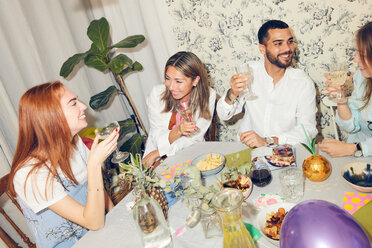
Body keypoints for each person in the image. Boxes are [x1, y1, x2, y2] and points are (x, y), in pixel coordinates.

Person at [7, 82, 117, 247]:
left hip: (99, 236)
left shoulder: (74, 142)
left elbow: (98, 190)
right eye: (73, 103)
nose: (84, 106)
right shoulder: (29, 174)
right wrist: (94, 165)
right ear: (50, 116)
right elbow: (93, 223)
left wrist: (117, 217)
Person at [217, 20, 317, 148]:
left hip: (284, 151)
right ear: (262, 49)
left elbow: (308, 130)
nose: (287, 48)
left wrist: (269, 141)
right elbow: (224, 115)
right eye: (278, 43)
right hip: (248, 149)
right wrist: (233, 93)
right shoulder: (249, 72)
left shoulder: (303, 82)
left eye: (290, 42)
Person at [143, 51, 216, 167]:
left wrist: (158, 153)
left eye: (178, 81)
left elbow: (194, 139)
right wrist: (178, 131)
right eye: (167, 78)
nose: (171, 87)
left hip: (189, 151)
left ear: (195, 80)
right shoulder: (156, 94)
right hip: (158, 156)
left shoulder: (208, 96)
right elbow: (157, 137)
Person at [319, 21, 372, 157]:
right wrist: (341, 99)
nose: (355, 60)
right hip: (358, 156)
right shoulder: (362, 77)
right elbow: (352, 126)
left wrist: (355, 148)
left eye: (362, 54)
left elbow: (353, 148)